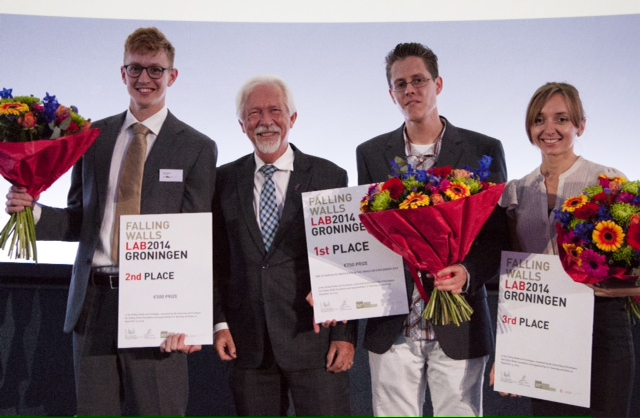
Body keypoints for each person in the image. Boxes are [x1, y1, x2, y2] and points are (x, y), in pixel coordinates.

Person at [5, 27, 218, 415]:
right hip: (94, 303)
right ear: (123, 74)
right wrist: (31, 210)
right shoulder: (93, 137)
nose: (144, 79)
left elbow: (196, 239)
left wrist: (191, 318)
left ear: (172, 76)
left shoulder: (197, 147)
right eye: (135, 69)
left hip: (159, 305)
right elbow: (77, 222)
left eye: (155, 70)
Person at [355, 42, 508, 417]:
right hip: (394, 324)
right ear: (391, 93)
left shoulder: (482, 148)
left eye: (418, 80)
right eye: (401, 84)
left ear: (438, 84)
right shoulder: (371, 153)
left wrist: (469, 273)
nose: (410, 90)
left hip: (460, 319)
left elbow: (497, 234)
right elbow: (371, 235)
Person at [212, 75, 357, 416]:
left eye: (275, 110)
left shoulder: (329, 176)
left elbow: (346, 260)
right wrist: (219, 323)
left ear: (292, 119)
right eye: (254, 113)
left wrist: (345, 335)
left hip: (316, 342)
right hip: (248, 347)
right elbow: (216, 260)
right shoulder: (221, 181)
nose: (265, 121)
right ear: (242, 124)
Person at [496, 82, 637, 417]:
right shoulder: (515, 193)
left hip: (603, 330)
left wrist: (609, 288)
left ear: (580, 125)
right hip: (545, 333)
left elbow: (633, 266)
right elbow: (517, 278)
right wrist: (510, 355)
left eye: (561, 119)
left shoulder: (608, 180)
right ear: (529, 127)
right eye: (539, 120)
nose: (549, 129)